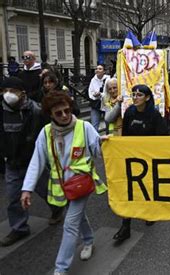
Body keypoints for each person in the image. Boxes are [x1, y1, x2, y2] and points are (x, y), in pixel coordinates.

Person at [20, 91, 107, 275]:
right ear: (51, 114)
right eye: (58, 113)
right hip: (61, 186)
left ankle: (60, 269)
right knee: (77, 217)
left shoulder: (84, 127)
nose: (65, 115)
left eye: (67, 110)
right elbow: (37, 161)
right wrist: (27, 189)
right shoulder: (46, 133)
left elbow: (98, 152)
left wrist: (103, 143)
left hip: (82, 184)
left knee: (70, 223)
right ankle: (89, 240)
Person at [0, 77, 63, 247]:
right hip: (12, 163)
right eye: (4, 91)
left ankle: (56, 208)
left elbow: (46, 134)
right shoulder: (2, 111)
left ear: (22, 93)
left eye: (12, 91)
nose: (8, 95)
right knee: (14, 197)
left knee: (46, 190)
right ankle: (19, 228)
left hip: (34, 162)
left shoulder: (36, 111)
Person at [112, 85, 168, 243]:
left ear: (147, 98)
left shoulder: (155, 116)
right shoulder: (129, 112)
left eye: (139, 95)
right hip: (132, 158)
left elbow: (162, 138)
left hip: (149, 160)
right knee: (129, 190)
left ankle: (149, 213)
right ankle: (125, 226)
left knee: (147, 188)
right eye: (133, 94)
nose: (135, 97)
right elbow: (125, 136)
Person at [88, 64, 110, 131]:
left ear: (104, 71)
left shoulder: (108, 79)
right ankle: (95, 141)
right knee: (94, 124)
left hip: (106, 104)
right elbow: (90, 92)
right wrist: (94, 96)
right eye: (96, 69)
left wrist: (101, 94)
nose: (97, 70)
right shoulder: (93, 80)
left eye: (100, 69)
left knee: (108, 123)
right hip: (96, 104)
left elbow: (109, 92)